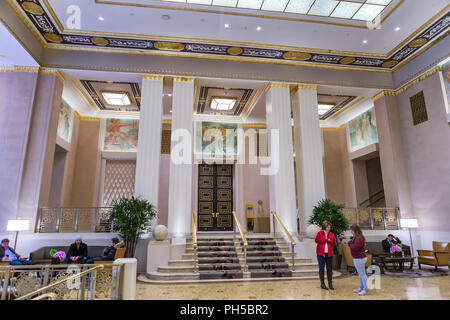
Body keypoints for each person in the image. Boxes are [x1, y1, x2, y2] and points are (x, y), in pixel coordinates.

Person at [347, 224, 369, 296]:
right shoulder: (357, 237)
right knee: (360, 274)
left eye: (351, 230)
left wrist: (349, 243)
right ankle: (361, 287)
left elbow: (355, 247)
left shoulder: (359, 238)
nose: (351, 231)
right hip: (357, 258)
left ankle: (365, 290)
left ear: (354, 230)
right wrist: (351, 243)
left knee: (362, 274)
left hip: (360, 258)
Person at [315, 221, 336, 290]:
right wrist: (326, 239)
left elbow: (333, 241)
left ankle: (330, 283)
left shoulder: (332, 234)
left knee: (329, 269)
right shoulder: (319, 233)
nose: (329, 228)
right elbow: (316, 241)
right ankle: (322, 284)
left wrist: (330, 241)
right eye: (327, 227)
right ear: (324, 227)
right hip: (321, 254)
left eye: (330, 227)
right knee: (321, 268)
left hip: (329, 254)